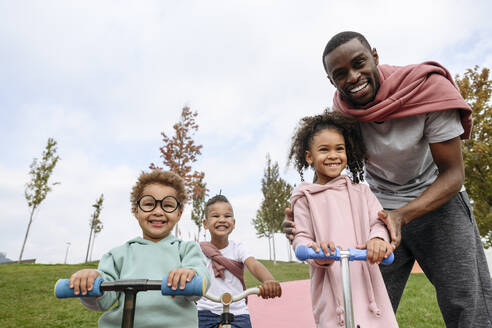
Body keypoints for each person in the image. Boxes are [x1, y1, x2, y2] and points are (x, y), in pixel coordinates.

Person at [284, 31, 492, 327]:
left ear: (375, 57)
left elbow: (454, 175)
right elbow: (331, 176)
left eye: (359, 63)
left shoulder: (428, 91)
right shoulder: (344, 114)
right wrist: (302, 222)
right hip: (378, 213)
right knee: (365, 306)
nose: (353, 77)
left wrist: (401, 215)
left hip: (439, 203)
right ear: (331, 81)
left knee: (467, 306)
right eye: (340, 74)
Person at [288, 111, 397, 327]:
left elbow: (378, 222)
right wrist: (316, 251)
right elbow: (300, 237)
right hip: (331, 285)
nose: (333, 155)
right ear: (309, 157)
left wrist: (378, 240)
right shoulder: (304, 198)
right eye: (324, 150)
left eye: (339, 148)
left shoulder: (361, 193)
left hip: (366, 283)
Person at [68, 170, 210, 328]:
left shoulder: (187, 249)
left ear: (179, 213)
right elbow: (103, 301)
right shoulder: (117, 255)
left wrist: (191, 274)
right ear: (136, 210)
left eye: (168, 205)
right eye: (149, 204)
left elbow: (201, 280)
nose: (157, 212)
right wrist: (89, 283)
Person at [197, 194, 282, 328]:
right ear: (205, 224)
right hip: (205, 311)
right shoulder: (199, 250)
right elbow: (189, 270)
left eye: (227, 216)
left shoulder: (238, 248)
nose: (222, 220)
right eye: (215, 216)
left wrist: (268, 280)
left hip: (237, 312)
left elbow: (253, 264)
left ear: (234, 223)